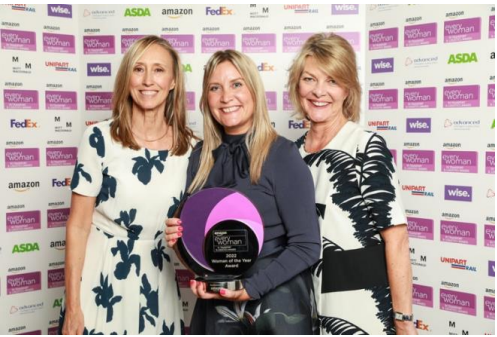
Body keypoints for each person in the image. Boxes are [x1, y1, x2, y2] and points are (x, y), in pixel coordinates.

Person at [165, 50, 321, 334]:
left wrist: (251, 288)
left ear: (254, 91)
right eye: (215, 88)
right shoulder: (200, 157)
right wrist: (185, 251)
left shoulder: (281, 154)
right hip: (219, 309)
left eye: (236, 84)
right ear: (205, 98)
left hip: (276, 308)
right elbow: (204, 245)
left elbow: (307, 246)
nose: (226, 97)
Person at [59, 35, 196, 335]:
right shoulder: (99, 139)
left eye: (159, 70)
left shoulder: (191, 149)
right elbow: (78, 226)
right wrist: (72, 307)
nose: (148, 80)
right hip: (100, 279)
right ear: (127, 78)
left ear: (173, 81)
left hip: (157, 281)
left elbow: (197, 228)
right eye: (138, 69)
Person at [287, 33, 417, 335]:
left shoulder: (366, 147)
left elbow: (396, 240)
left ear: (348, 88)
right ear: (297, 84)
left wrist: (403, 321)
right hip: (301, 308)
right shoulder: (290, 155)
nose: (319, 91)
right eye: (310, 79)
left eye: (332, 80)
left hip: (360, 310)